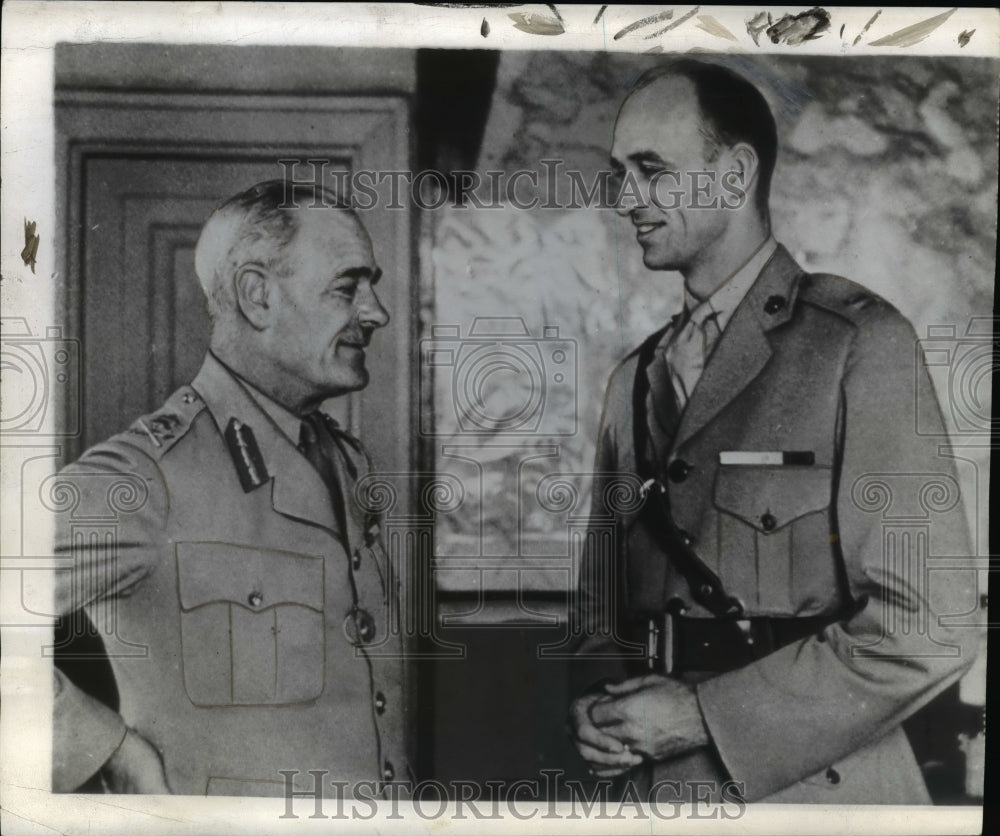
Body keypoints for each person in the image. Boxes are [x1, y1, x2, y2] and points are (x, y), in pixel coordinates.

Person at [568, 60, 978, 804]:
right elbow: (604, 608)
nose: (625, 198)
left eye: (651, 171)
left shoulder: (855, 344)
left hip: (813, 791)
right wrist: (598, 703)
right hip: (650, 791)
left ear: (733, 175)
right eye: (620, 173)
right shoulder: (635, 378)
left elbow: (931, 628)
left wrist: (700, 715)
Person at [50, 180, 407, 798]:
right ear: (256, 296)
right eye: (348, 287)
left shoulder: (344, 460)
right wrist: (102, 750)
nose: (376, 312)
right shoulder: (145, 478)